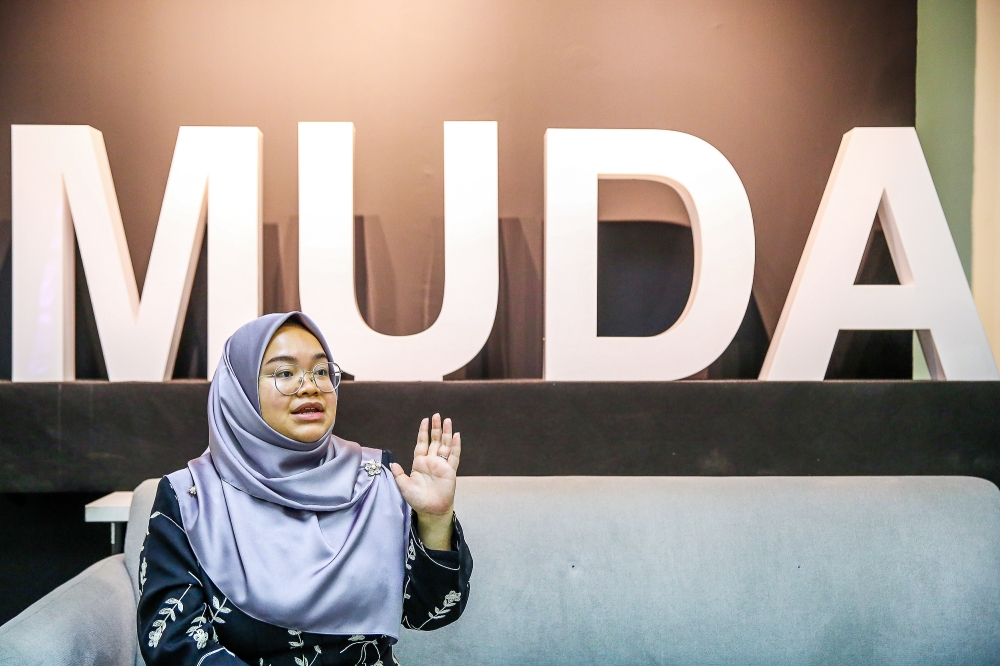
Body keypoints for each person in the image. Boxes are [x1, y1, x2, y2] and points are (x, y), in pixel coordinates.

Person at [136, 312, 472, 666]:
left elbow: (428, 614)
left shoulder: (375, 478)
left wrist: (434, 521)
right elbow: (173, 644)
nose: (310, 385)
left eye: (322, 371)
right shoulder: (190, 497)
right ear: (240, 391)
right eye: (284, 373)